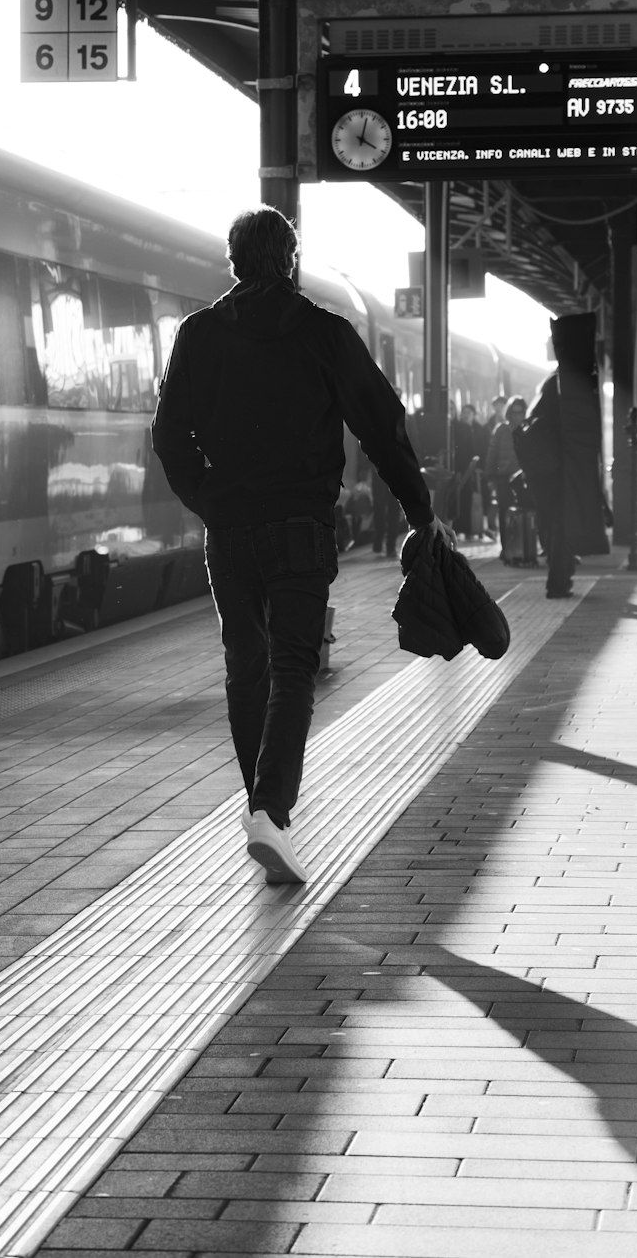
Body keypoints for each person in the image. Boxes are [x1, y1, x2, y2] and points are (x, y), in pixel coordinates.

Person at [151, 206, 446, 885]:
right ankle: (269, 809)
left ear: (232, 262)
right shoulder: (324, 333)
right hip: (300, 529)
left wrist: (209, 500)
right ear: (290, 260)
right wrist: (419, 509)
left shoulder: (197, 335)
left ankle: (262, 808)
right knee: (293, 668)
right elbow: (381, 426)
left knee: (244, 665)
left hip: (229, 532)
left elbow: (169, 435)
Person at [514, 313, 611, 598]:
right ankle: (559, 580)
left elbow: (532, 422)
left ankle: (560, 576)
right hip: (560, 467)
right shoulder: (569, 382)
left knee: (555, 524)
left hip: (548, 469)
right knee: (561, 524)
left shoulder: (554, 382)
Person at [486, 394, 528, 560]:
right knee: (504, 513)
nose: (518, 416)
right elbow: (492, 454)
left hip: (523, 478)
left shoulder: (528, 429)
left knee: (524, 512)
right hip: (503, 477)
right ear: (509, 413)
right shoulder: (501, 430)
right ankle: (506, 548)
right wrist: (490, 477)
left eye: (521, 412)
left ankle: (521, 546)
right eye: (515, 412)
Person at [452, 401, 485, 537]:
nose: (465, 415)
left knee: (467, 499)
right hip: (459, 468)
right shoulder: (456, 428)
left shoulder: (479, 429)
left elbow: (480, 449)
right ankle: (459, 528)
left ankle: (469, 529)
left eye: (468, 413)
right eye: (463, 413)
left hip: (470, 469)